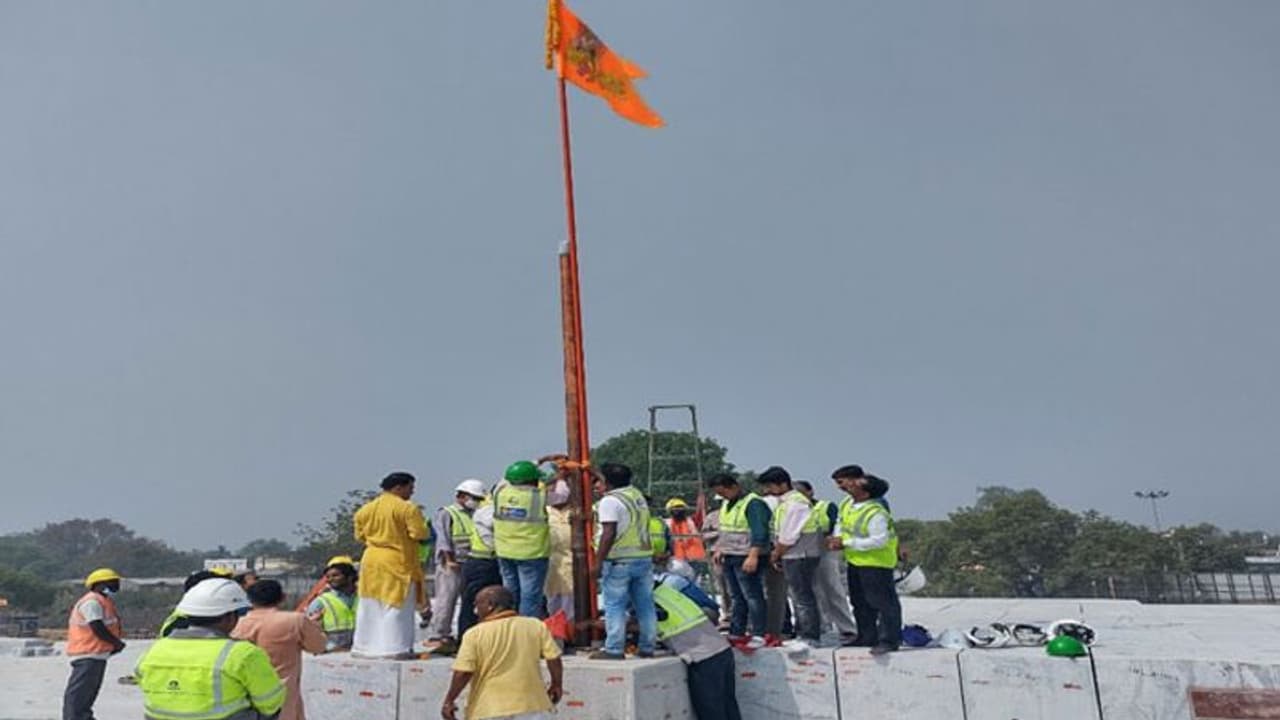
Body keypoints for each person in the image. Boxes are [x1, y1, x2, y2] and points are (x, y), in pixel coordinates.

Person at [135, 579, 285, 720]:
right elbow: (270, 702)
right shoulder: (243, 653)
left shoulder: (154, 650)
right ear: (229, 617)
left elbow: (140, 677)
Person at [442, 585, 564, 720]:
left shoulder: (474, 634)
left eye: (477, 604)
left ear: (490, 605)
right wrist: (556, 684)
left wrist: (449, 700)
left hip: (489, 709)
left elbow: (464, 672)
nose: (475, 611)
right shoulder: (535, 625)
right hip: (532, 707)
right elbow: (554, 658)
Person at [351, 471, 431, 659]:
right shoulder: (407, 508)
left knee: (370, 604)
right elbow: (419, 534)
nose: (412, 492)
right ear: (398, 487)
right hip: (397, 559)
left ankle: (364, 647)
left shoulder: (365, 509)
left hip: (371, 559)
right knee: (397, 606)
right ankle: (395, 648)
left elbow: (359, 536)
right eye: (410, 488)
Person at [589, 463, 659, 659]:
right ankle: (647, 647)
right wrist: (592, 469)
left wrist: (597, 562)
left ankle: (614, 649)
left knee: (615, 606)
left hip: (619, 561)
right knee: (645, 605)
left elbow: (608, 532)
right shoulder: (636, 495)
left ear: (607, 482)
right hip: (643, 558)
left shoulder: (609, 502)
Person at [831, 466, 902, 654]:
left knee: (882, 602)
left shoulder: (875, 511)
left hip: (876, 562)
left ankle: (889, 640)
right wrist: (837, 538)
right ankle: (866, 635)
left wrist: (846, 542)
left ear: (866, 491)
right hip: (856, 561)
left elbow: (879, 540)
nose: (851, 485)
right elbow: (841, 522)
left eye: (857, 483)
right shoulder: (847, 503)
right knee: (860, 602)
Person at [232, 580, 326, 720]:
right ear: (283, 597)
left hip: (247, 694)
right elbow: (318, 647)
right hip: (283, 694)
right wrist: (314, 626)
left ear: (249, 600)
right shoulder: (295, 620)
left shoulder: (238, 624)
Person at [652, 580, 742, 720]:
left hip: (704, 658)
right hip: (721, 651)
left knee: (711, 712)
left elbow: (649, 621)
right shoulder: (668, 592)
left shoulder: (649, 601)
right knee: (728, 707)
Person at [492, 460, 569, 618]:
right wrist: (560, 477)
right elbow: (562, 496)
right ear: (532, 480)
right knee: (530, 596)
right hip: (531, 554)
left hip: (505, 552)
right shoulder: (538, 497)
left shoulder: (499, 493)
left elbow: (506, 478)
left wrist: (536, 462)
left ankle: (508, 624)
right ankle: (525, 630)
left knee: (510, 594)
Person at [760, 467, 824, 643]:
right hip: (794, 554)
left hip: (801, 555)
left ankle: (809, 636)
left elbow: (788, 536)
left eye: (770, 486)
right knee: (799, 596)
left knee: (803, 598)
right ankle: (804, 633)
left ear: (782, 484)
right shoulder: (786, 502)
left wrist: (776, 554)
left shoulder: (796, 503)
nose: (768, 491)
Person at [708, 472, 772, 646]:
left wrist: (753, 555)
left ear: (734, 486)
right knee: (736, 596)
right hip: (730, 555)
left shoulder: (753, 504)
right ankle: (737, 630)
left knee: (752, 595)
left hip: (746, 556)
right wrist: (721, 548)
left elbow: (760, 532)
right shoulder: (728, 504)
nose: (722, 497)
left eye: (723, 492)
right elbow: (726, 530)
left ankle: (758, 632)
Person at [796, 480, 858, 645]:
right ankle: (822, 625)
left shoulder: (826, 507)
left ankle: (847, 628)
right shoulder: (794, 508)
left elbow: (834, 527)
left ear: (811, 491)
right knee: (812, 590)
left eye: (801, 493)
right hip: (803, 552)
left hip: (825, 551)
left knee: (832, 589)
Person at [428, 479, 488, 646]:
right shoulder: (447, 513)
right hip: (451, 562)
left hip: (470, 561)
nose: (476, 502)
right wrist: (449, 560)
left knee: (470, 599)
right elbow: (443, 539)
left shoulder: (476, 513)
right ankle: (439, 634)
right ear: (461, 495)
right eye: (473, 497)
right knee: (446, 599)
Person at [63, 568, 127, 720]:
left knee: (85, 696)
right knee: (79, 698)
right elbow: (97, 626)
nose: (116, 586)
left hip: (95, 655)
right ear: (98, 584)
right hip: (88, 654)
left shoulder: (102, 601)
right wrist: (116, 643)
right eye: (112, 583)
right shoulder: (92, 602)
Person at [306, 556, 359, 652]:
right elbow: (308, 632)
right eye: (328, 576)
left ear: (350, 577)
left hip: (359, 653)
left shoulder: (362, 600)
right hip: (331, 655)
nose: (330, 579)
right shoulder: (320, 602)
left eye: (335, 575)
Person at [700, 506, 732, 626]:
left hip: (735, 553)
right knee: (723, 587)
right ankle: (728, 616)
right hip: (717, 556)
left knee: (736, 589)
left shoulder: (737, 513)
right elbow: (703, 535)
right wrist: (718, 533)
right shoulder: (712, 516)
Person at [665, 498, 707, 563]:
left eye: (681, 509)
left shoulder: (690, 522)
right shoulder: (667, 523)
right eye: (676, 509)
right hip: (676, 558)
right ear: (670, 511)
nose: (679, 511)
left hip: (695, 557)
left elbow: (696, 536)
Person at [645, 494, 673, 566]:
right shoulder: (630, 523)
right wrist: (652, 556)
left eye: (649, 505)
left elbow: (670, 542)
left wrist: (666, 555)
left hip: (661, 562)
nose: (647, 507)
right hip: (639, 562)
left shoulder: (660, 522)